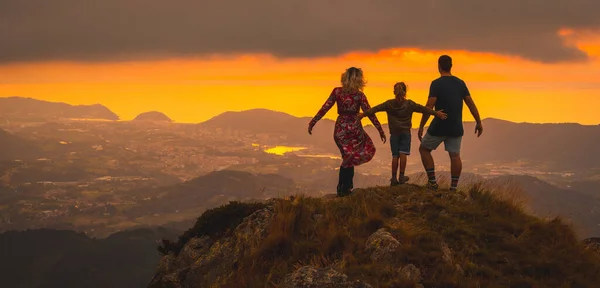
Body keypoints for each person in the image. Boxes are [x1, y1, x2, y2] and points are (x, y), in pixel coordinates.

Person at [308, 67, 386, 197]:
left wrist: (313, 122)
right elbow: (370, 113)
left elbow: (325, 108)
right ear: (359, 79)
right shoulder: (359, 95)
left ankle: (344, 187)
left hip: (341, 130)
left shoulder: (337, 92)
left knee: (348, 157)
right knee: (349, 157)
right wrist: (380, 130)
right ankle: (345, 187)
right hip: (354, 130)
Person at [358, 82, 447, 186]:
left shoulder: (389, 104)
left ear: (394, 92)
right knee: (403, 153)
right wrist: (436, 113)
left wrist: (363, 114)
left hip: (394, 134)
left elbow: (375, 109)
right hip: (405, 133)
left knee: (395, 155)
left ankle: (393, 178)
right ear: (405, 92)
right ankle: (401, 177)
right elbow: (423, 109)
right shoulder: (409, 104)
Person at [417, 55, 483, 192]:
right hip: (456, 126)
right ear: (451, 66)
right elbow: (470, 103)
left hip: (439, 126)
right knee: (455, 155)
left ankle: (432, 182)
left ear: (439, 66)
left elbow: (429, 105)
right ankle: (453, 188)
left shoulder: (436, 84)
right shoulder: (460, 83)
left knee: (423, 149)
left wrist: (422, 125)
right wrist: (478, 121)